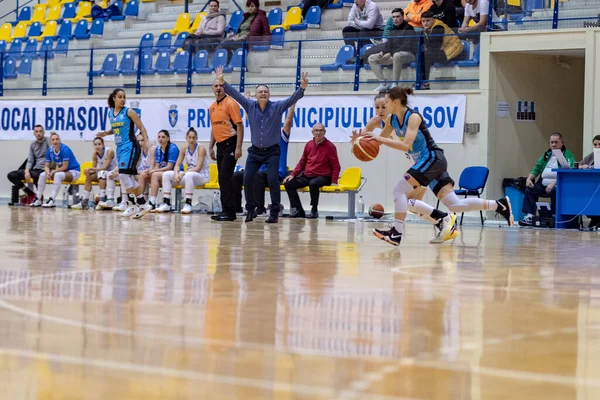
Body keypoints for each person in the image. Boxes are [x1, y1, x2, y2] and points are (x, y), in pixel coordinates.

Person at [354, 87, 513, 246]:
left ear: (396, 102)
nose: (384, 107)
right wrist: (359, 143)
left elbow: (405, 145)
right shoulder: (391, 120)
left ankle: (396, 233)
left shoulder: (413, 117)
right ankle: (499, 205)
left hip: (431, 157)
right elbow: (379, 142)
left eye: (386, 103)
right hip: (426, 162)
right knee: (454, 205)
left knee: (399, 190)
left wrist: (380, 140)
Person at [215, 65, 308, 223]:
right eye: (260, 92)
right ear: (256, 95)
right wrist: (223, 81)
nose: (263, 93)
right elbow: (235, 95)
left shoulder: (277, 106)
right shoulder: (250, 106)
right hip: (255, 152)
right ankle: (250, 210)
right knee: (247, 177)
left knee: (272, 180)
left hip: (272, 152)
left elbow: (292, 99)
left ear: (269, 94)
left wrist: (302, 88)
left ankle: (273, 213)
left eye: (265, 91)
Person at [361, 92, 458, 243]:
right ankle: (442, 220)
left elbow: (405, 142)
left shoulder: (403, 118)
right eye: (377, 107)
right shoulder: (380, 121)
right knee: (410, 204)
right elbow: (365, 139)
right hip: (416, 162)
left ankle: (439, 220)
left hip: (424, 163)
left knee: (404, 197)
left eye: (384, 106)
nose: (381, 110)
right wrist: (358, 143)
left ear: (393, 104)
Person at [232, 103, 295, 217]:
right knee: (238, 176)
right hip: (260, 171)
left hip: (275, 172)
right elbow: (251, 119)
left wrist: (292, 106)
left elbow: (288, 121)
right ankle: (237, 208)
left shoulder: (281, 137)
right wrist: (247, 104)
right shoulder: (260, 138)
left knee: (259, 175)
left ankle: (259, 208)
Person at [96, 88, 151, 219]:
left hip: (131, 146)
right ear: (114, 98)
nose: (122, 99)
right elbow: (116, 128)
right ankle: (142, 204)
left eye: (124, 97)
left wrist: (146, 141)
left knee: (123, 176)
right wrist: (106, 133)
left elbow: (142, 127)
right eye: (120, 97)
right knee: (129, 178)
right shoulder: (111, 113)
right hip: (120, 148)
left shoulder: (129, 112)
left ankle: (132, 204)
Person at [284, 123, 340, 219]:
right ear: (312, 132)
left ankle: (314, 210)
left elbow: (336, 166)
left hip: (323, 176)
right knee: (288, 184)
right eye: (316, 130)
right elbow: (302, 162)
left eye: (320, 130)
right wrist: (293, 174)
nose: (318, 133)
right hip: (308, 175)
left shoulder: (330, 146)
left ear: (324, 132)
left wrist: (334, 181)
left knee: (313, 183)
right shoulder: (309, 144)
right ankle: (298, 210)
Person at [518, 132, 575, 227]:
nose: (553, 145)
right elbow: (537, 167)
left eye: (556, 142)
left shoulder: (568, 155)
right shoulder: (546, 154)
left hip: (557, 184)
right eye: (551, 142)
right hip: (543, 183)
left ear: (562, 143)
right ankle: (530, 216)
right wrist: (529, 178)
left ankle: (554, 216)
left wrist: (553, 183)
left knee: (554, 191)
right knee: (530, 189)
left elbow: (567, 172)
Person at [208, 79, 244, 222]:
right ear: (212, 88)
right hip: (220, 145)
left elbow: (239, 126)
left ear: (225, 88)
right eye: (215, 85)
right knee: (222, 179)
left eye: (221, 86)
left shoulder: (231, 103)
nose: (218, 88)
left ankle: (231, 211)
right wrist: (211, 146)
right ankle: (226, 210)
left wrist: (239, 147)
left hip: (231, 143)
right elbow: (214, 128)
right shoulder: (212, 107)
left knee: (225, 177)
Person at [157, 128, 210, 214]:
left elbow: (198, 168)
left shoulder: (201, 148)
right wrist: (176, 174)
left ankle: (188, 204)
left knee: (189, 175)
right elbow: (177, 165)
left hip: (202, 176)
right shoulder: (184, 148)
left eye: (193, 137)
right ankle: (166, 203)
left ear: (196, 138)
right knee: (166, 174)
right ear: (186, 138)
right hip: (189, 176)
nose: (191, 140)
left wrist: (183, 174)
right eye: (189, 137)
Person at [366, 8, 416, 92]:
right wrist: (383, 52)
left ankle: (394, 84)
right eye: (393, 17)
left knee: (397, 55)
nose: (395, 19)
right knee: (371, 58)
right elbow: (389, 45)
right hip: (394, 55)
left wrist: (391, 53)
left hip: (409, 54)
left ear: (402, 17)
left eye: (397, 16)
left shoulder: (409, 28)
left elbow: (407, 46)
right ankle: (383, 84)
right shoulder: (392, 29)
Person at [32, 132, 81, 208]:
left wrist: (54, 171)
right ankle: (38, 199)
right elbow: (46, 166)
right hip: (63, 172)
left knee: (57, 175)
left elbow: (65, 167)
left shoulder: (65, 150)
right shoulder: (50, 150)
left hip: (74, 171)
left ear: (59, 140)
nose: (55, 141)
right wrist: (48, 172)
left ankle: (52, 200)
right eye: (53, 140)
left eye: (57, 139)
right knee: (42, 175)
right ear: (50, 142)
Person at [419, 11, 464, 90]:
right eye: (423, 21)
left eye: (428, 21)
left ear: (433, 20)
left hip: (454, 50)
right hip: (443, 50)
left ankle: (424, 82)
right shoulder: (426, 30)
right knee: (421, 55)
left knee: (426, 55)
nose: (425, 23)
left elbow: (435, 46)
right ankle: (422, 81)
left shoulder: (438, 27)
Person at [71, 137, 117, 210]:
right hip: (104, 173)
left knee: (102, 173)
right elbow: (94, 168)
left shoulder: (109, 151)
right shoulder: (95, 154)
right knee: (89, 176)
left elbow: (105, 167)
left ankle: (102, 199)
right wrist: (88, 171)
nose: (97, 146)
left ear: (103, 145)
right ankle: (84, 201)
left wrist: (92, 169)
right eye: (95, 144)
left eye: (99, 144)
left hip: (114, 173)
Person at [7, 125, 48, 206]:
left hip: (43, 168)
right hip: (34, 168)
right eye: (36, 131)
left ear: (44, 132)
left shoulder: (48, 141)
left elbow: (54, 154)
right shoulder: (33, 144)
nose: (38, 133)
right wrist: (26, 171)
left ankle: (39, 197)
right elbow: (30, 159)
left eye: (40, 131)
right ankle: (30, 193)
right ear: (34, 133)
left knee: (37, 175)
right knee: (11, 175)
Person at [112, 132, 153, 212]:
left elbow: (153, 165)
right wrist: (114, 171)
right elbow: (132, 167)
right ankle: (126, 202)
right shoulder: (135, 150)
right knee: (124, 175)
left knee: (127, 175)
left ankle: (137, 202)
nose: (140, 143)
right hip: (139, 173)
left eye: (142, 140)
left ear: (147, 140)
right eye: (138, 141)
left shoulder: (152, 149)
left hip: (150, 173)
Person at [141, 130, 180, 213]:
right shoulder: (158, 149)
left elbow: (169, 167)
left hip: (175, 173)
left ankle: (152, 202)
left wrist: (153, 171)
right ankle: (140, 201)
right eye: (159, 137)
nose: (160, 139)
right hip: (162, 174)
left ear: (168, 138)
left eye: (163, 137)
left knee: (154, 175)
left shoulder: (173, 148)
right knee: (144, 174)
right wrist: (150, 171)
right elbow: (157, 166)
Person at [579, 135, 600, 229]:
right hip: (591, 186)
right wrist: (582, 166)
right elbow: (580, 164)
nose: (597, 147)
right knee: (581, 195)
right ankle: (594, 218)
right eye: (595, 145)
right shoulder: (592, 155)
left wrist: (590, 167)